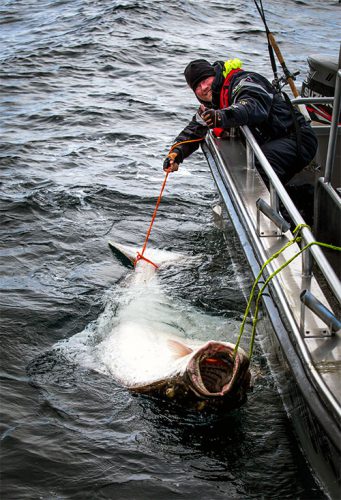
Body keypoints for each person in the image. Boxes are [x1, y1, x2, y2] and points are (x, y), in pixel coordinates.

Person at [163, 58, 318, 187]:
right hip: (274, 142)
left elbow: (252, 106)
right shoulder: (213, 103)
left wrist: (222, 116)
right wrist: (176, 153)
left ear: (214, 75)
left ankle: (284, 220)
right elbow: (195, 128)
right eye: (197, 86)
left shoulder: (244, 81)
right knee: (248, 169)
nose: (203, 87)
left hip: (296, 138)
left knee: (256, 171)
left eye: (205, 80)